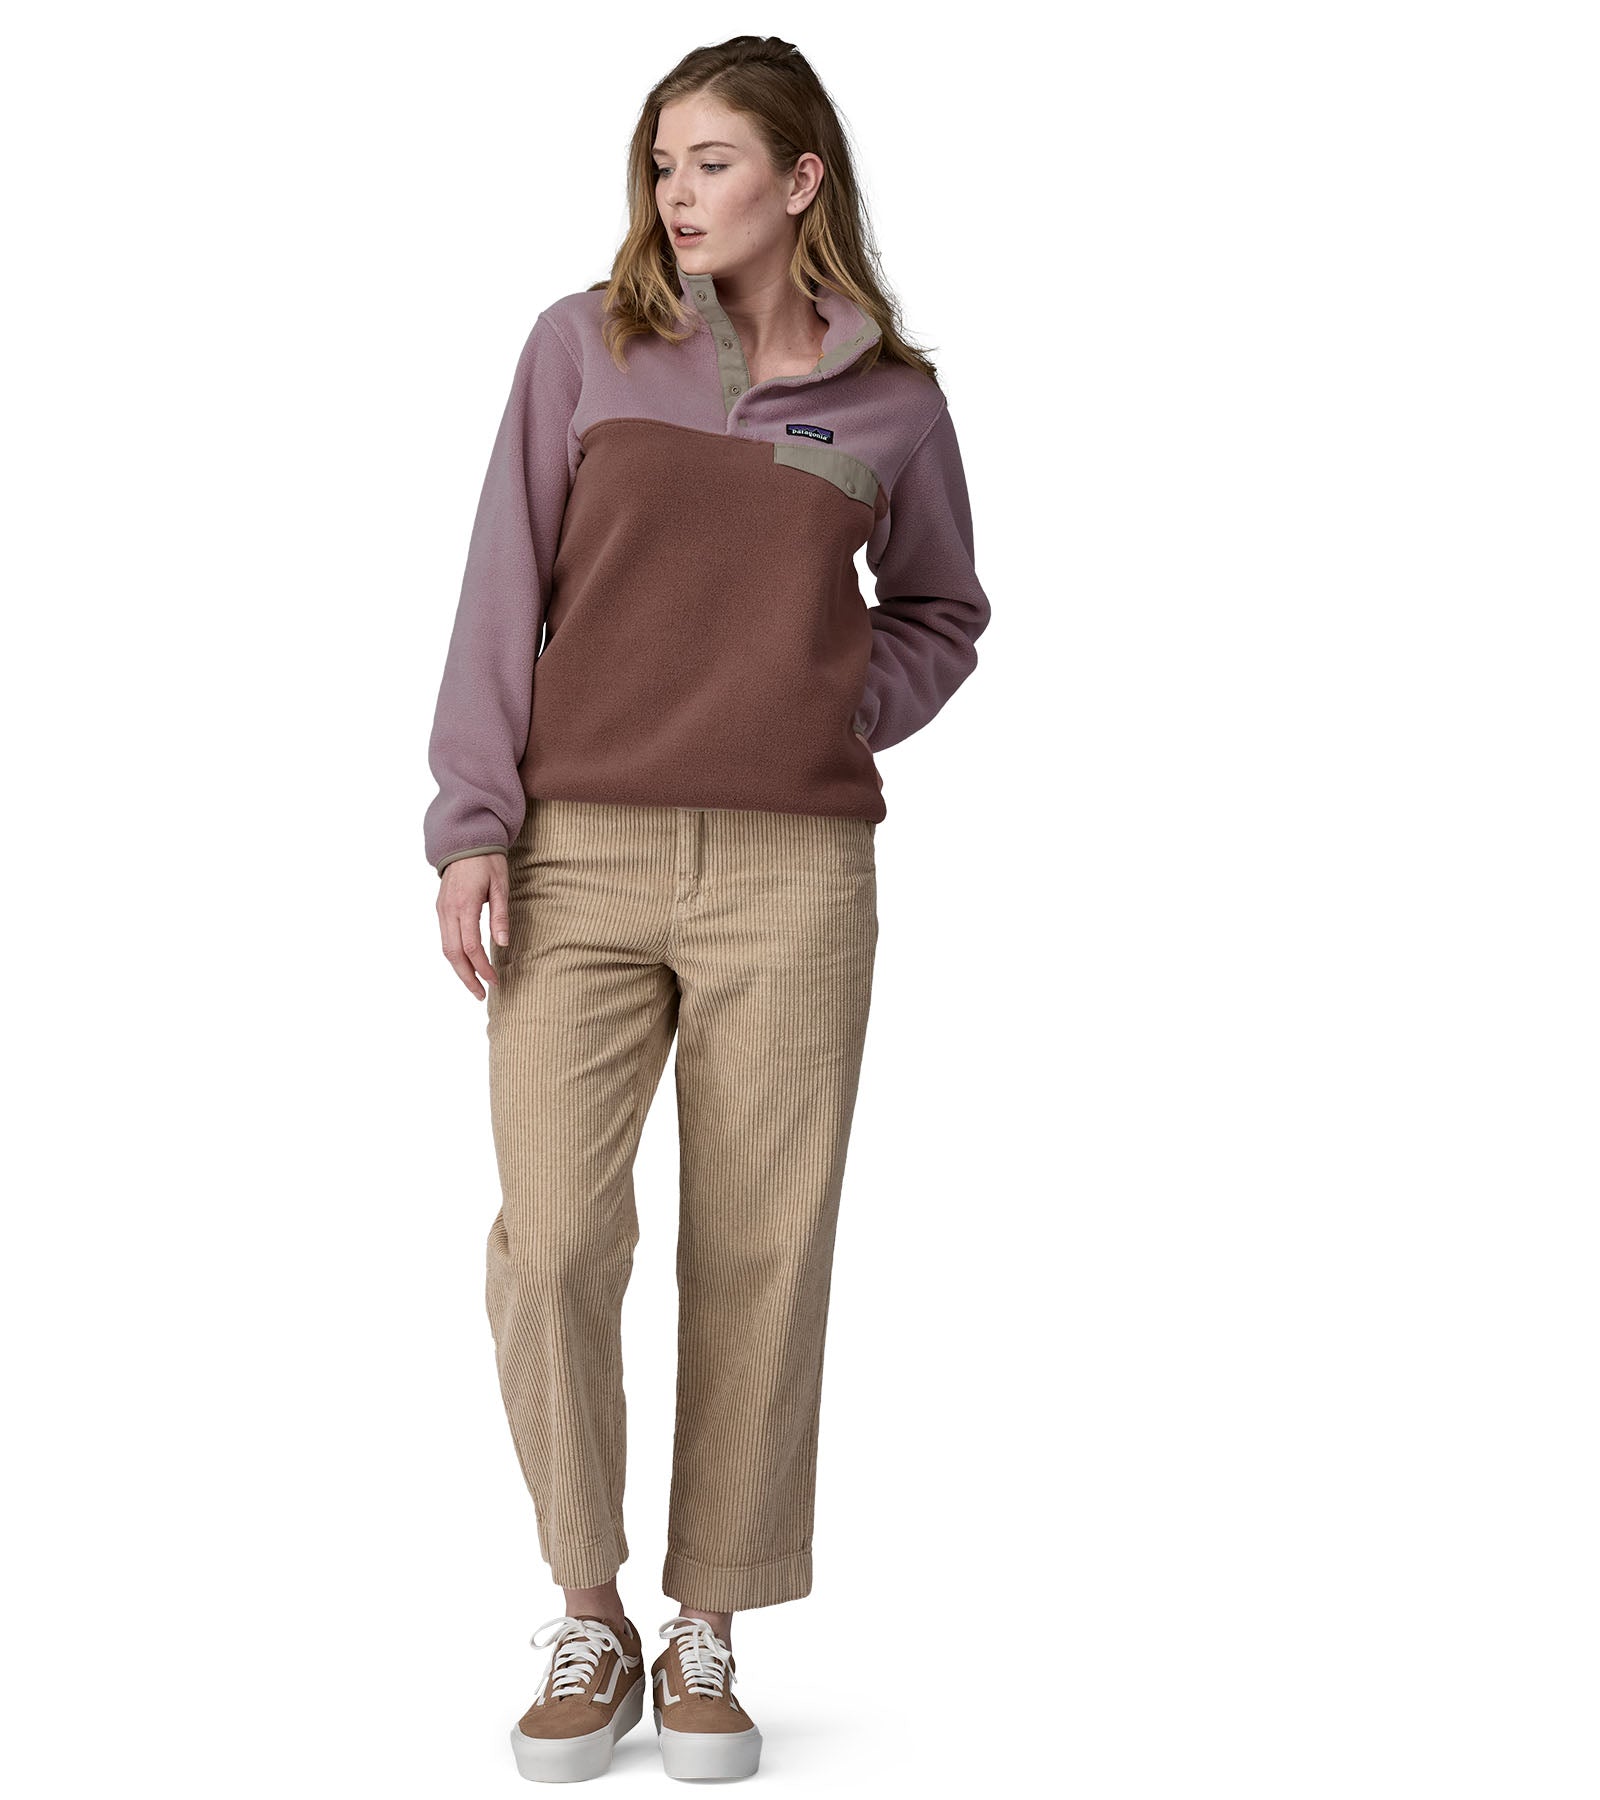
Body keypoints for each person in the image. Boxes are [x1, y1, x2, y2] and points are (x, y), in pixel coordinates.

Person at [424, 35, 990, 1783]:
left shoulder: (894, 403)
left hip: (794, 873)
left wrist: (832, 703)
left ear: (801, 179)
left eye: (714, 162)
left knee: (761, 1250)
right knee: (555, 1244)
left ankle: (708, 1628)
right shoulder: (582, 348)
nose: (676, 194)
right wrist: (470, 823)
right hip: (576, 853)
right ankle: (587, 1613)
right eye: (662, 164)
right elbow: (499, 585)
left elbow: (943, 612)